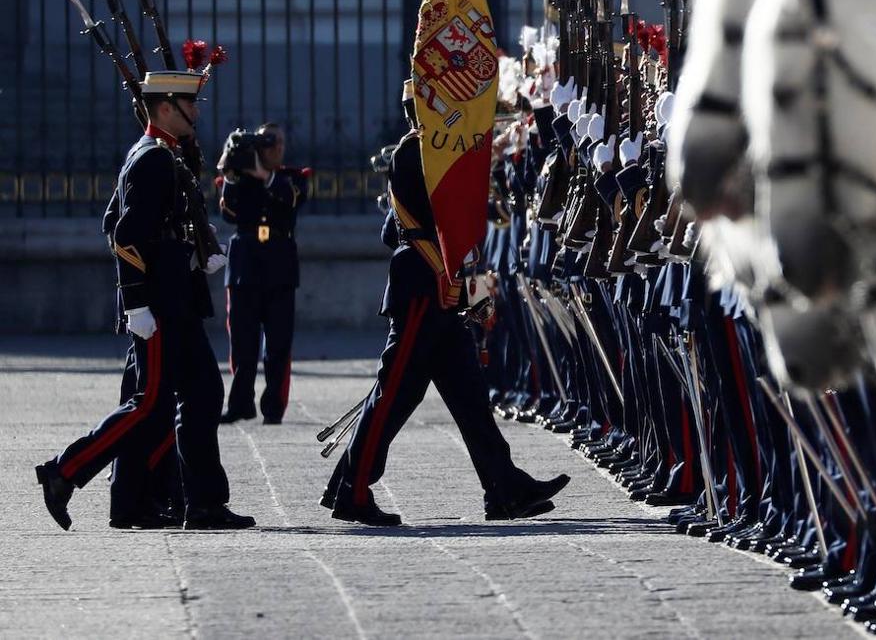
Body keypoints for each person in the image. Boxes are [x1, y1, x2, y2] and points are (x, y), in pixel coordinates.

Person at [321, 80, 569, 526]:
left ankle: (504, 488)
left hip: (443, 286)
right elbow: (440, 211)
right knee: (394, 393)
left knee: (470, 394)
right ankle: (352, 490)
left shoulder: (437, 153)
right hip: (421, 283)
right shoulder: (412, 152)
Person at [35, 71, 255, 531]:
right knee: (149, 403)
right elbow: (124, 234)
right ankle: (65, 471)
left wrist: (197, 249)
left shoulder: (165, 156)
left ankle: (187, 502)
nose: (197, 112)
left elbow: (146, 223)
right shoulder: (152, 159)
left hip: (178, 298)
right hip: (157, 303)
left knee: (202, 394)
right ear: (166, 108)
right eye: (189, 105)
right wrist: (136, 304)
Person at [218, 123, 310, 425]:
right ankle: (241, 403)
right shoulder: (240, 179)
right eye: (270, 143)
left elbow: (292, 198)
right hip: (245, 265)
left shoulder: (292, 178)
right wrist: (231, 165)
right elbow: (227, 210)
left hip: (279, 268)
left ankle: (274, 406)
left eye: (280, 142)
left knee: (278, 345)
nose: (277, 148)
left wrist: (265, 176)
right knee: (242, 343)